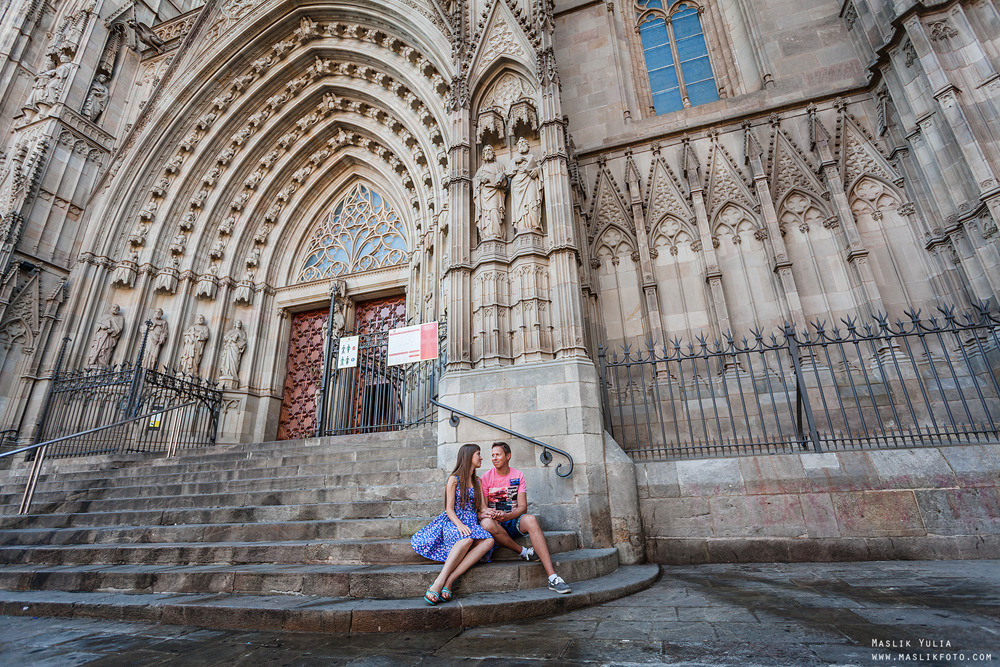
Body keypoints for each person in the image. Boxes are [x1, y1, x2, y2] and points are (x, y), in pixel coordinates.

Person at [480, 441, 571, 594]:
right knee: (487, 523)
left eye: (498, 455)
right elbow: (483, 507)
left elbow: (522, 507)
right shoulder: (486, 477)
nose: (494, 458)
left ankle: (553, 577)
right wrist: (494, 514)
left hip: (512, 520)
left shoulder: (517, 475)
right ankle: (523, 552)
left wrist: (507, 515)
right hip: (496, 524)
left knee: (531, 519)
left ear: (508, 456)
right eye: (492, 455)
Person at [411, 444, 494, 605]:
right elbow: (449, 509)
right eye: (478, 454)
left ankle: (449, 581)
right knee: (467, 540)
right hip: (453, 522)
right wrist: (459, 525)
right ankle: (438, 582)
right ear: (469, 456)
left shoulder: (477, 481)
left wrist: (491, 513)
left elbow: (482, 509)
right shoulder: (454, 479)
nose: (481, 457)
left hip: (471, 523)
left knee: (489, 541)